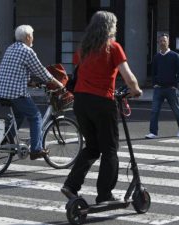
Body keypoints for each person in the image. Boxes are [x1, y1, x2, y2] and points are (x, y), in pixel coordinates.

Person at [61, 11, 142, 204]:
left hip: (81, 102)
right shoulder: (113, 47)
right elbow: (128, 76)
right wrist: (136, 90)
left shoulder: (83, 49)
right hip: (102, 102)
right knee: (110, 149)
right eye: (114, 25)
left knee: (92, 146)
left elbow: (79, 74)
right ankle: (105, 194)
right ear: (109, 27)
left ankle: (71, 185)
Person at [0, 25, 64, 160]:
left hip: (1, 91)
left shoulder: (11, 48)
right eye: (32, 35)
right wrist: (58, 83)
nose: (33, 38)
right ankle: (36, 149)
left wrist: (32, 83)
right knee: (36, 116)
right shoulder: (27, 51)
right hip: (15, 93)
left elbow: (17, 70)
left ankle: (5, 139)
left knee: (19, 116)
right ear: (27, 37)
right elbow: (41, 71)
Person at [145, 33, 179, 139]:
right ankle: (153, 132)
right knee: (154, 111)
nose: (163, 42)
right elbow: (153, 72)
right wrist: (154, 84)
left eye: (165, 40)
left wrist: (175, 85)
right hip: (158, 89)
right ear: (158, 43)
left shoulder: (174, 56)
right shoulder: (156, 57)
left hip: (170, 89)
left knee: (176, 110)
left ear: (168, 42)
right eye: (161, 41)